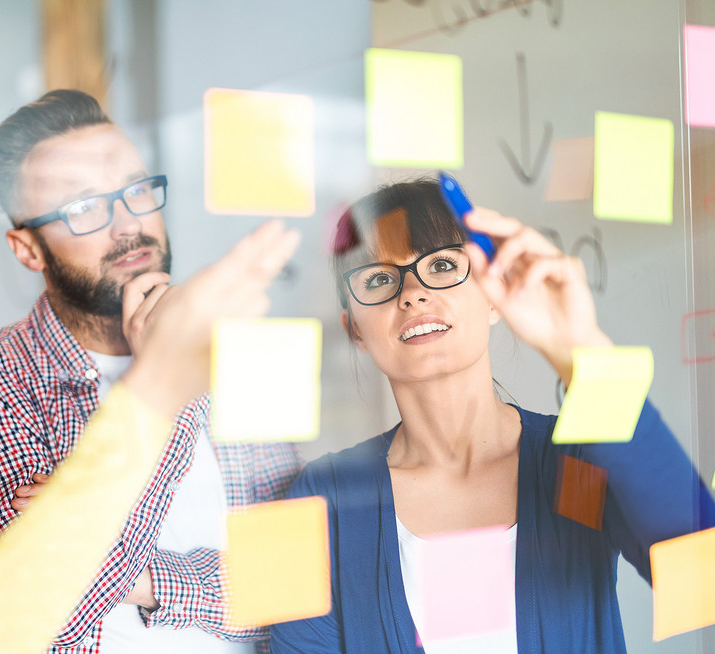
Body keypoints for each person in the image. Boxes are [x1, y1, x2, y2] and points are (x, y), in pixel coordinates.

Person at [270, 180, 715, 653]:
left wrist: (583, 356)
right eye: (379, 279)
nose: (414, 294)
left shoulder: (576, 470)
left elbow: (704, 575)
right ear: (354, 328)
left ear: (494, 295)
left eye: (442, 265)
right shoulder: (321, 500)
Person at [0, 89, 303, 653]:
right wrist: (170, 381)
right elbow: (39, 612)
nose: (128, 226)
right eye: (82, 207)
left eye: (137, 190)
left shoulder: (238, 356)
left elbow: (293, 590)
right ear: (27, 249)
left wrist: (129, 576)